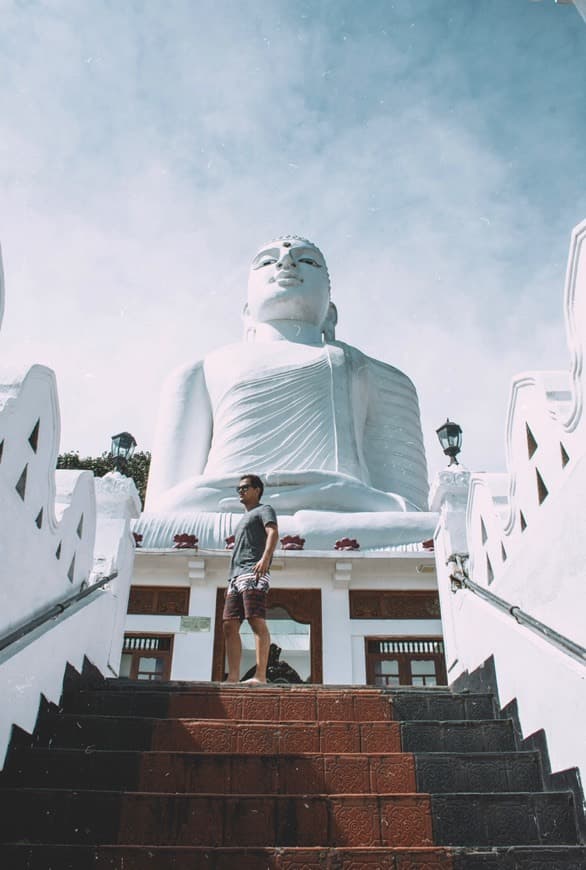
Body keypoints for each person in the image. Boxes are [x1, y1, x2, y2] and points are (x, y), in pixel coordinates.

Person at [143, 235, 436, 549]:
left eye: (307, 261)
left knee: (428, 530)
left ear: (331, 313)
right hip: (226, 509)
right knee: (161, 527)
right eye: (268, 261)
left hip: (345, 509)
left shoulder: (374, 372)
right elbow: (160, 509)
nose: (287, 264)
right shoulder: (199, 371)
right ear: (246, 312)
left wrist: (339, 491)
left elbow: (411, 510)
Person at [222, 474, 278, 685]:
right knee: (229, 624)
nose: (241, 491)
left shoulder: (265, 510)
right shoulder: (242, 519)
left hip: (253, 572)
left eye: (245, 487)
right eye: (238, 489)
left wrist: (265, 559)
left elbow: (273, 533)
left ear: (257, 490)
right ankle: (233, 676)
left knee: (255, 619)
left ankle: (260, 676)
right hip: (234, 576)